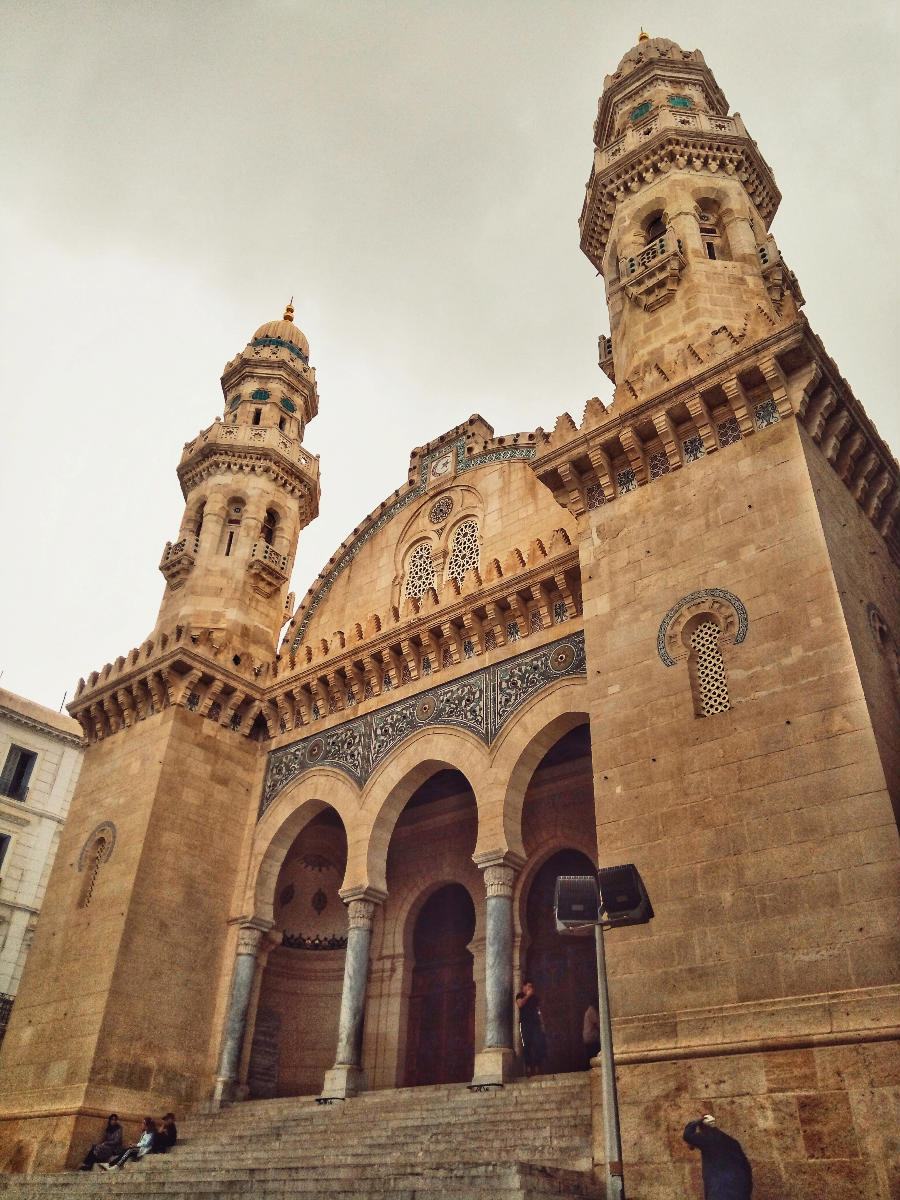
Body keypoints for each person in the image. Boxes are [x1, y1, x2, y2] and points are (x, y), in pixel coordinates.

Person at [683, 1114, 753, 1199]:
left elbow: (687, 1135)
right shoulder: (732, 1141)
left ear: (702, 1127)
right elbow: (746, 1167)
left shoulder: (707, 1138)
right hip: (738, 1190)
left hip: (718, 1191)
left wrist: (697, 1121)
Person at [515, 980, 547, 1076]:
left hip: (535, 1024)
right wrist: (528, 996)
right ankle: (528, 1068)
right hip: (524, 1024)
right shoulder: (519, 995)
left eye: (531, 987)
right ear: (523, 987)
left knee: (538, 1044)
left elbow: (538, 1011)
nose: (530, 989)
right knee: (526, 1046)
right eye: (528, 986)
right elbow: (520, 1004)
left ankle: (538, 1068)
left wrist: (542, 1024)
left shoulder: (535, 998)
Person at [582, 1003, 600, 1068]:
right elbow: (598, 1023)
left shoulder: (590, 1010)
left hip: (590, 1039)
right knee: (593, 1057)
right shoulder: (591, 1010)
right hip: (592, 1039)